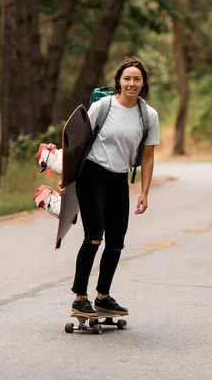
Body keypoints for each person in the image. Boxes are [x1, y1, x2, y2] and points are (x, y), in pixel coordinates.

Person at [58, 57, 160, 318]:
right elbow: (78, 144)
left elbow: (148, 157)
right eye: (127, 78)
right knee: (94, 236)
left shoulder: (148, 116)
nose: (131, 83)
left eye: (137, 79)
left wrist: (145, 192)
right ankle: (80, 297)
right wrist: (67, 179)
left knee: (116, 243)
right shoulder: (103, 107)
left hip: (119, 179)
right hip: (92, 174)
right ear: (119, 81)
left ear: (144, 83)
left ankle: (103, 297)